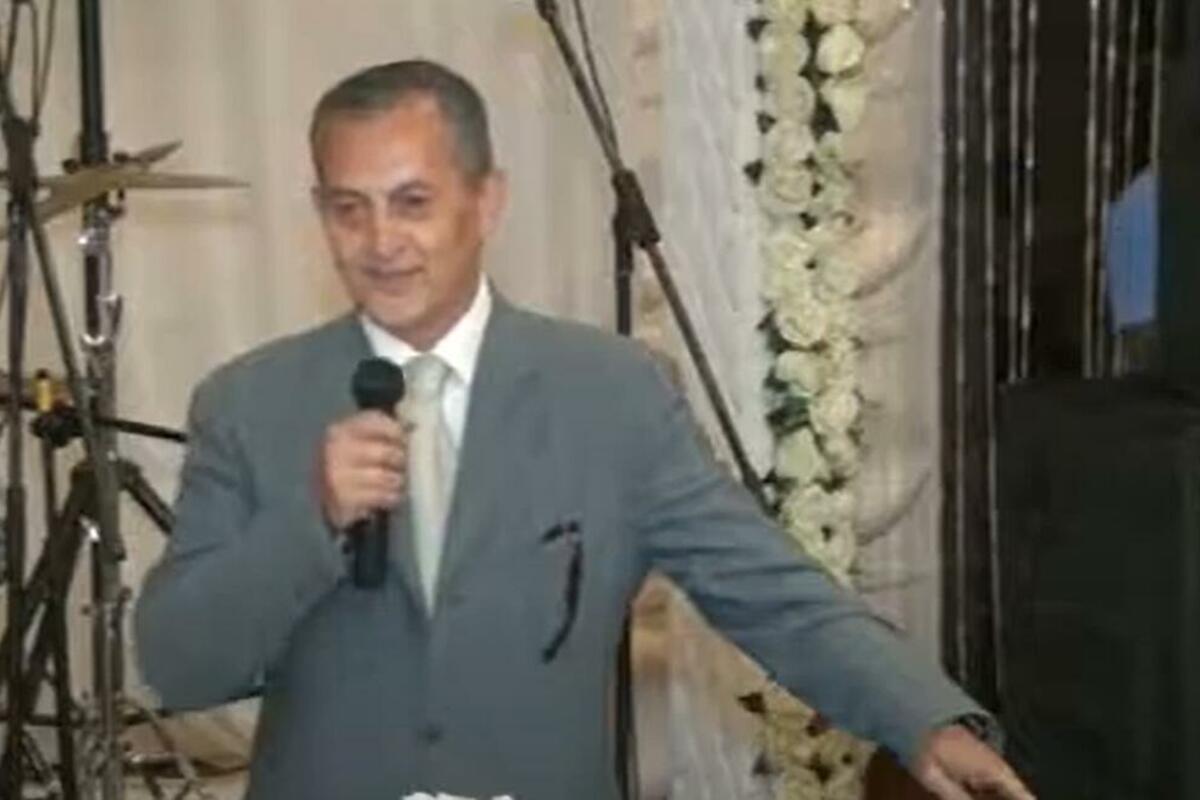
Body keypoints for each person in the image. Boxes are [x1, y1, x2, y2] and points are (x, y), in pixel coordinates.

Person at [135, 59, 1033, 800]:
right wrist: (311, 520)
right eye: (348, 208)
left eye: (412, 202)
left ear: (487, 202)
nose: (379, 241)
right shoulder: (248, 403)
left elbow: (770, 591)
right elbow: (179, 664)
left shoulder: (612, 394)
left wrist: (921, 718)